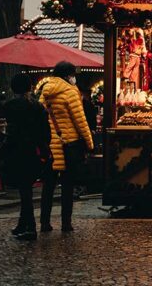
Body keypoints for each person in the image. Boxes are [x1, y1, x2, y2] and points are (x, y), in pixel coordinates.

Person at [38, 61, 94, 233]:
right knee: (68, 185)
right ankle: (66, 223)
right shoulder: (70, 91)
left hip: (50, 144)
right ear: (69, 75)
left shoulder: (45, 91)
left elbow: (40, 117)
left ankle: (45, 222)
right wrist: (89, 142)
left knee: (48, 185)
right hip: (67, 143)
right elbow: (80, 120)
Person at [3, 74, 50, 241]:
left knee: (24, 190)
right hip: (33, 151)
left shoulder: (9, 106)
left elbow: (9, 130)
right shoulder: (37, 106)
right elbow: (45, 131)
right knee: (26, 188)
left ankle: (30, 227)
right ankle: (24, 225)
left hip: (16, 151)